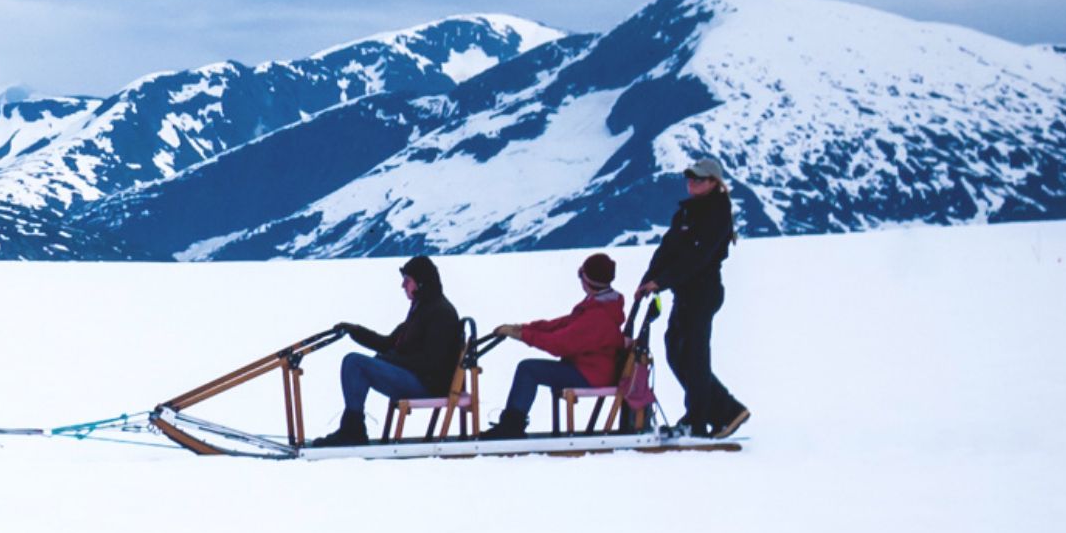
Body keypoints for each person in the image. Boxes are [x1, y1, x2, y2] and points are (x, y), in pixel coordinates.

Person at [637, 158, 749, 436]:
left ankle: (699, 420)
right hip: (685, 292)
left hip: (703, 292)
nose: (692, 182)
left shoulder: (715, 213)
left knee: (694, 357)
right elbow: (668, 249)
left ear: (714, 183)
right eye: (690, 177)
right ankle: (726, 410)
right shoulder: (688, 213)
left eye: (699, 179)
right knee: (677, 351)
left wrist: (660, 282)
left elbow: (697, 258)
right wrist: (648, 280)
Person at [310, 256, 463, 447]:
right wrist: (355, 331)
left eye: (407, 280)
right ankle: (352, 427)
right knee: (355, 362)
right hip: (418, 378)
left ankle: (353, 429)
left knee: (355, 363)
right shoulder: (422, 310)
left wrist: (392, 360)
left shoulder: (440, 313)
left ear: (421, 283)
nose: (403, 285)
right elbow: (388, 343)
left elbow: (432, 362)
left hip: (428, 384)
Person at [477, 253, 628, 439]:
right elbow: (560, 325)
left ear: (587, 281)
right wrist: (521, 328)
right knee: (529, 368)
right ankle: (511, 425)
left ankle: (511, 427)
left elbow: (559, 345)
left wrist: (520, 334)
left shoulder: (597, 316)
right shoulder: (598, 305)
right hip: (590, 368)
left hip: (590, 374)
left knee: (528, 369)